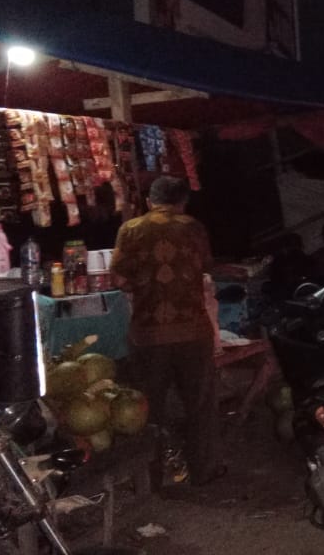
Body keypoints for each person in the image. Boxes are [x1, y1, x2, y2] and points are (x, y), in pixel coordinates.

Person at [111, 176, 225, 485]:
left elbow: (118, 279)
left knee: (149, 408)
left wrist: (142, 283)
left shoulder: (130, 229)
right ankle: (205, 470)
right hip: (193, 331)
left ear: (149, 201)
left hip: (148, 334)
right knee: (200, 404)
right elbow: (206, 266)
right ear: (183, 202)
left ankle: (153, 476)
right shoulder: (194, 228)